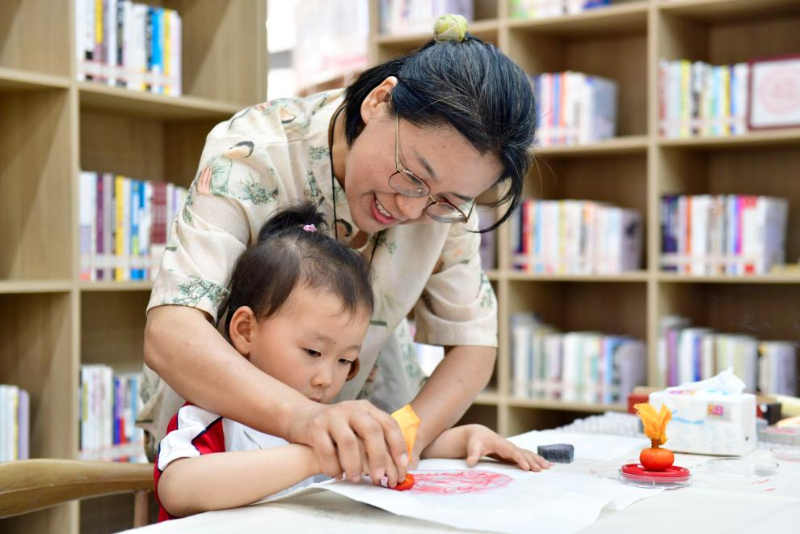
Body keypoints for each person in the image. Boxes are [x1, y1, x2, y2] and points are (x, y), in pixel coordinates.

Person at [140, 14, 536, 486]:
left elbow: (473, 344)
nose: (412, 209)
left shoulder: (443, 202)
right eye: (412, 176)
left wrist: (406, 437)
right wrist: (305, 421)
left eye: (448, 200)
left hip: (343, 459)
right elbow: (171, 332)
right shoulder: (254, 153)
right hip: (225, 442)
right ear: (378, 101)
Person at [154, 203, 550, 521]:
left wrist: (465, 439)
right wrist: (315, 455)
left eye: (347, 361)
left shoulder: (334, 422)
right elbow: (178, 488)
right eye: (313, 352)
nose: (328, 378)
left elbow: (392, 444)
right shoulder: (214, 418)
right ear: (245, 331)